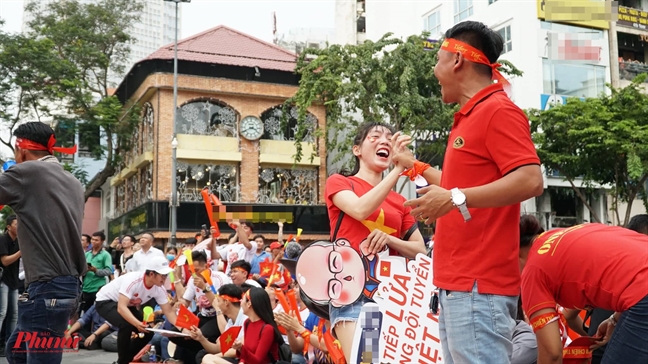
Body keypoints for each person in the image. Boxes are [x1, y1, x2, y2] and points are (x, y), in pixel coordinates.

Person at [399, 20, 543, 364]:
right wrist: (411, 165)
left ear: (457, 60)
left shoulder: (497, 110)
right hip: (460, 286)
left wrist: (454, 198)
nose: (435, 70)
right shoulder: (470, 116)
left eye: (437, 60)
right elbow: (454, 183)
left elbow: (530, 179)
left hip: (479, 286)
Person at [324, 121, 426, 361]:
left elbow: (421, 251)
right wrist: (396, 171)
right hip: (354, 292)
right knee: (367, 360)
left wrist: (390, 239)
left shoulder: (401, 201)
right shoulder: (340, 182)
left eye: (389, 138)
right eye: (375, 137)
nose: (384, 141)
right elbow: (360, 209)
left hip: (395, 297)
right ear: (356, 150)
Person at [0, 122, 86, 363]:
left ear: (22, 149)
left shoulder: (27, 172)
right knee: (16, 352)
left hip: (48, 287)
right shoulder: (73, 181)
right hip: (64, 285)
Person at [518, 215, 648, 364]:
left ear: (514, 254)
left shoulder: (533, 269)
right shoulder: (568, 233)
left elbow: (552, 354)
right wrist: (614, 320)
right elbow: (631, 265)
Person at [94, 255, 179, 364]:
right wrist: (137, 323)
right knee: (126, 324)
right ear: (152, 274)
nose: (164, 278)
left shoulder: (159, 288)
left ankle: (125, 359)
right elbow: (121, 308)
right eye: (162, 275)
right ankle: (122, 361)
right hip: (105, 301)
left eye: (166, 275)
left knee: (148, 332)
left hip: (127, 306)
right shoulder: (133, 280)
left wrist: (183, 328)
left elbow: (169, 312)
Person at [201, 287, 285, 364]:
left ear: (249, 304)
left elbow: (258, 361)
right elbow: (244, 356)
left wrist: (241, 348)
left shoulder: (267, 329)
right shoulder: (247, 322)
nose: (240, 303)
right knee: (207, 358)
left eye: (243, 300)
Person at [0, 215, 20, 352]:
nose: (19, 227)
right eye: (16, 224)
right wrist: (21, 252)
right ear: (8, 227)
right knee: (2, 312)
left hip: (14, 280)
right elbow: (5, 261)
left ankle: (10, 344)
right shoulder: (2, 239)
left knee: (14, 313)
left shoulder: (20, 240)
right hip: (3, 280)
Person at [81, 231, 113, 314]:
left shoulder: (105, 255)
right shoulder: (87, 254)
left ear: (102, 241)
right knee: (86, 312)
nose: (93, 241)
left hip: (98, 288)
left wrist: (96, 270)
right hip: (86, 287)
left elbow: (108, 271)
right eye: (92, 239)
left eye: (96, 240)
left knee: (97, 313)